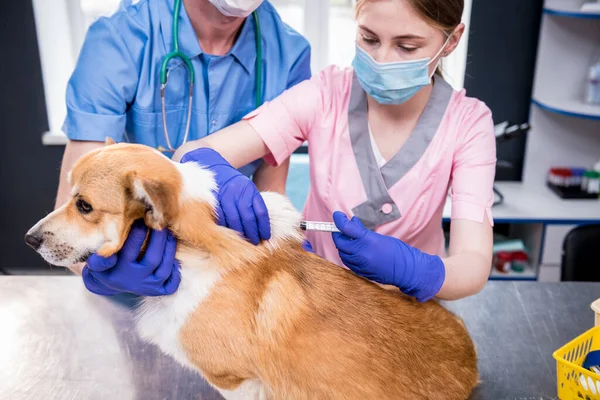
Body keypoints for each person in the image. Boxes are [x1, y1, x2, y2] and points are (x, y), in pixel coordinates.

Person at [84, 0, 496, 303]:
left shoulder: (469, 124)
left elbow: (473, 261)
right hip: (315, 301)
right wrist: (211, 166)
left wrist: (419, 271)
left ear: (452, 39)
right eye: (369, 39)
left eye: (407, 47)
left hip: (411, 315)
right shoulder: (326, 93)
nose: (383, 59)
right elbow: (196, 150)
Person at [55, 0, 311, 279]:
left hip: (220, 268)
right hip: (128, 254)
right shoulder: (120, 39)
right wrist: (103, 274)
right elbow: (78, 209)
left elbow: (270, 194)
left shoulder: (289, 54)